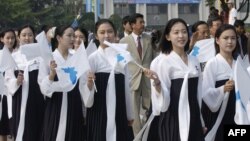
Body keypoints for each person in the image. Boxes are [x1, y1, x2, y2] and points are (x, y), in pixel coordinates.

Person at [150, 18, 205, 141]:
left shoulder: (194, 60)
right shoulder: (164, 61)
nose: (181, 36)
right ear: (168, 37)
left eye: (184, 32)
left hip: (194, 117)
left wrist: (200, 120)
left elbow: (198, 93)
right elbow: (162, 99)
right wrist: (157, 84)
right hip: (173, 118)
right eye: (176, 32)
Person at [80, 19, 134, 141]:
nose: (106, 35)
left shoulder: (121, 57)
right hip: (99, 111)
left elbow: (126, 87)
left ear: (115, 34)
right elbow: (85, 92)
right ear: (96, 35)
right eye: (102, 32)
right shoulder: (92, 58)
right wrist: (89, 83)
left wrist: (129, 113)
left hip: (119, 110)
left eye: (110, 32)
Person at [38, 25, 86, 141]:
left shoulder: (77, 58)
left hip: (74, 105)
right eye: (69, 35)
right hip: (55, 105)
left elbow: (82, 85)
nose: (73, 39)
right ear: (59, 38)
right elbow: (43, 89)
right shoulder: (48, 58)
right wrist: (51, 75)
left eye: (73, 36)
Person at [4, 24, 45, 141]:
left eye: (30, 35)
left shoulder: (41, 56)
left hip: (38, 101)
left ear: (35, 36)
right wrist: (16, 81)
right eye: (24, 35)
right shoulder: (13, 57)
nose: (27, 38)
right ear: (18, 37)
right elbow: (7, 81)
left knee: (39, 131)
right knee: (23, 133)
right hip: (20, 101)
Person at [119, 13, 156, 136]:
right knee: (134, 112)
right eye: (140, 22)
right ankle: (137, 136)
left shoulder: (149, 39)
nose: (143, 25)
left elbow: (155, 58)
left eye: (143, 22)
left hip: (147, 80)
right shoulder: (123, 41)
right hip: (133, 80)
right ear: (133, 25)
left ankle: (149, 133)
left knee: (151, 107)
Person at [202, 24, 237, 141]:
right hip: (220, 115)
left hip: (238, 114)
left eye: (233, 38)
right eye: (225, 38)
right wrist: (222, 89)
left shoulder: (239, 64)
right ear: (217, 40)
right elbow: (205, 92)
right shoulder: (212, 63)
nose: (230, 41)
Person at [0, 28, 17, 141]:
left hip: (15, 93)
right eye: (7, 38)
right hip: (3, 94)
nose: (10, 40)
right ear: (2, 39)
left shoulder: (19, 55)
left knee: (15, 126)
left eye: (12, 38)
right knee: (3, 128)